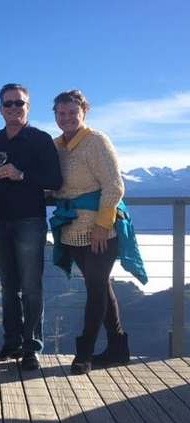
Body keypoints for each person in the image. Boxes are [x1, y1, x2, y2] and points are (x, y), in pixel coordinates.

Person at [50, 90, 147, 375]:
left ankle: (84, 354)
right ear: (55, 115)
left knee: (95, 289)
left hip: (100, 231)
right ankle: (118, 348)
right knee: (101, 286)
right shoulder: (57, 146)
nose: (67, 118)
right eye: (61, 113)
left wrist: (103, 226)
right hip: (72, 231)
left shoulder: (96, 141)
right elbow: (57, 185)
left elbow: (114, 186)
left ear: (84, 112)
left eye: (72, 112)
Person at [0, 83, 62, 371]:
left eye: (19, 103)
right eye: (8, 103)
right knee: (8, 287)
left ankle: (32, 348)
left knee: (30, 287)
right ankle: (11, 343)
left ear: (28, 107)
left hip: (30, 221)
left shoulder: (41, 140)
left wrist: (22, 175)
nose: (14, 108)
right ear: (0, 108)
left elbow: (55, 180)